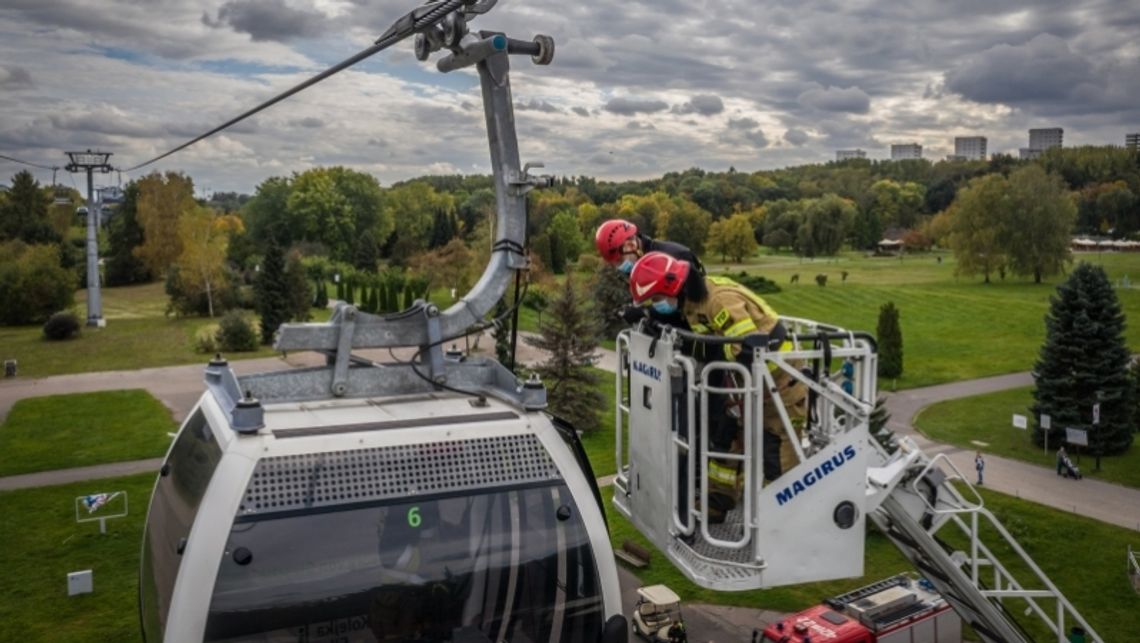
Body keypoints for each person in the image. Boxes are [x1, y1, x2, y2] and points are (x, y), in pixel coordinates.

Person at [629, 251, 807, 500]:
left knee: (777, 455)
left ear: (673, 287)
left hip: (779, 383)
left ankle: (776, 520)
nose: (657, 304)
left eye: (657, 298)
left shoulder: (718, 301)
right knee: (726, 438)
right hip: (747, 382)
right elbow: (712, 346)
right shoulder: (692, 304)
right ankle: (717, 503)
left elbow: (745, 350)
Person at [594, 219, 704, 275]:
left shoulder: (677, 257)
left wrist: (648, 312)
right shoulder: (639, 264)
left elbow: (694, 305)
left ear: (631, 245)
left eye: (618, 261)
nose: (617, 267)